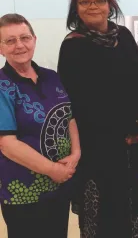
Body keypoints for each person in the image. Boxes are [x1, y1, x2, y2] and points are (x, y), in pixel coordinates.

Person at [57, 0, 138, 237]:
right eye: (84, 2)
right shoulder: (72, 45)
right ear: (76, 8)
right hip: (94, 145)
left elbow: (137, 82)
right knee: (99, 209)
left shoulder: (125, 37)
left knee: (129, 205)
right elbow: (70, 102)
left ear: (110, 5)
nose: (92, 6)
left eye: (99, 0)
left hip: (128, 143)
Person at [0, 13, 80, 238]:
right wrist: (53, 170)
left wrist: (76, 153)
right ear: (0, 48)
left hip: (59, 186)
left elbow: (69, 118)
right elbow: (7, 144)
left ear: (34, 39)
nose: (19, 45)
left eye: (25, 37)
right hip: (23, 193)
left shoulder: (51, 77)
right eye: (10, 40)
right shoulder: (2, 86)